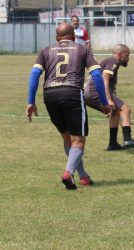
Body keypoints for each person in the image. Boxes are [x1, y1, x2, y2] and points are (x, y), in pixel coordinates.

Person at [25, 23, 112, 190]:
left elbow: (35, 73)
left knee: (67, 138)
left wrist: (31, 101)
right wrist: (103, 102)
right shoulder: (82, 50)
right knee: (78, 139)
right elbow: (96, 74)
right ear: (73, 36)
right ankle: (68, 173)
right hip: (71, 92)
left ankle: (83, 176)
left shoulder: (46, 50)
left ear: (57, 38)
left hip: (49, 95)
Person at [84, 44, 134, 151]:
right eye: (127, 55)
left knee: (116, 113)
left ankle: (112, 144)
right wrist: (108, 100)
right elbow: (105, 78)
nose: (128, 58)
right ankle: (128, 139)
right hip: (95, 91)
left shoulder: (108, 61)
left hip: (88, 94)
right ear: (120, 54)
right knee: (125, 109)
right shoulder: (114, 61)